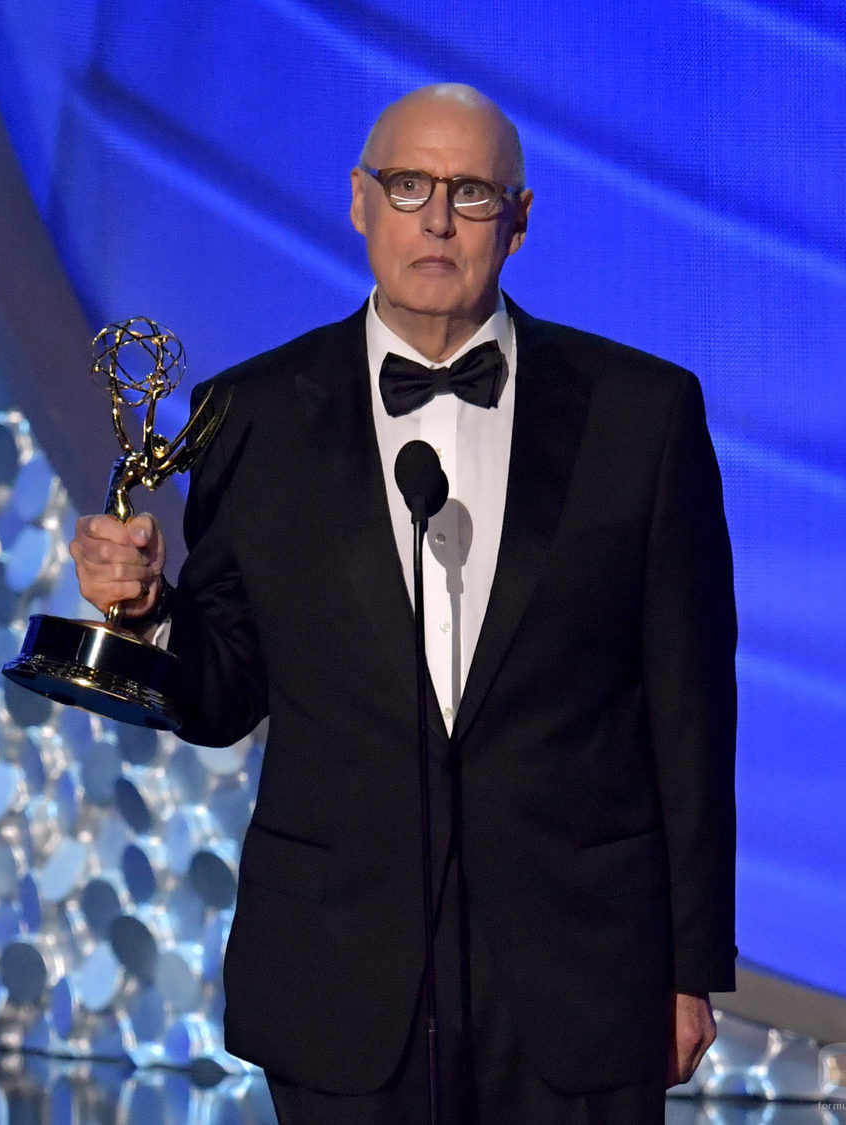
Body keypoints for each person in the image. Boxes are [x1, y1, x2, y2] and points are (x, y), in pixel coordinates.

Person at [71, 83, 736, 1124]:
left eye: (470, 192)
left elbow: (691, 710)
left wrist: (689, 963)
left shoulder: (641, 415)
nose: (434, 218)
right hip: (340, 976)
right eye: (408, 184)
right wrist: (145, 613)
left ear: (518, 222)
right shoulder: (249, 417)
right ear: (357, 202)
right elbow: (222, 689)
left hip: (582, 980)